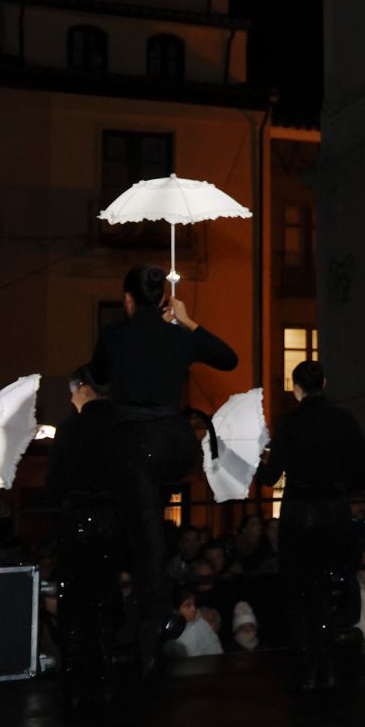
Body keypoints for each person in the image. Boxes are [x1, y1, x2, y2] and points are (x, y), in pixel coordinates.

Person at [89, 263, 239, 679]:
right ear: (164, 301)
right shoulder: (177, 333)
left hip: (139, 443)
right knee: (149, 526)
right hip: (177, 443)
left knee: (145, 538)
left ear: (128, 301)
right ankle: (152, 608)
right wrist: (188, 323)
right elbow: (228, 359)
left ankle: (152, 624)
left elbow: (97, 375)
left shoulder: (116, 334)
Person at [254, 357, 365, 690]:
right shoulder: (344, 420)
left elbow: (270, 477)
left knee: (298, 591)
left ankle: (308, 665)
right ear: (324, 384)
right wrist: (338, 485)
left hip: (298, 512)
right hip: (333, 512)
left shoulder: (289, 424)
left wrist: (261, 459)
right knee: (327, 589)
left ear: (296, 390)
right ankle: (330, 665)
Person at [47, 363, 122, 714]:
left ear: (81, 388)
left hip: (76, 521)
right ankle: (107, 681)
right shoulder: (120, 427)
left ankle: (76, 684)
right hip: (110, 520)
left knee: (74, 604)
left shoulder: (69, 430)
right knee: (104, 601)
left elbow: (54, 483)